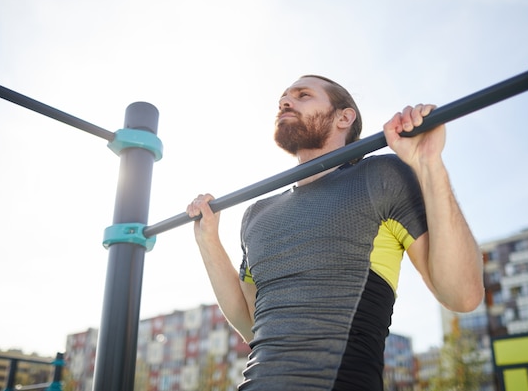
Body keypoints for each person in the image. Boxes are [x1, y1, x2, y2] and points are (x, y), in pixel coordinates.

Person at [186, 75, 484, 390]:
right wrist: (208, 241)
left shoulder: (380, 176)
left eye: (302, 95)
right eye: (283, 99)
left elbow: (463, 295)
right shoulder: (257, 214)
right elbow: (252, 326)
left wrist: (428, 164)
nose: (286, 102)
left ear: (344, 117)